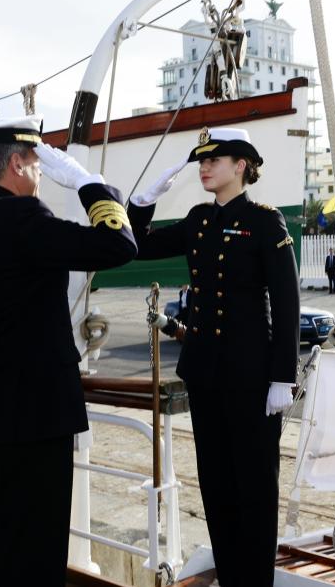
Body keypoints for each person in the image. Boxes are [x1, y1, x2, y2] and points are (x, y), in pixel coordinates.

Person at [0, 115, 137, 586]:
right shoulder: (25, 220)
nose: (44, 172)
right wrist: (91, 185)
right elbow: (118, 245)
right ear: (18, 164)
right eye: (38, 162)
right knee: (35, 554)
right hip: (35, 421)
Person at [128, 126, 300, 586]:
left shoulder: (266, 222)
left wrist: (283, 377)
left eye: (214, 160)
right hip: (205, 374)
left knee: (256, 487)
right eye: (201, 161)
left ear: (241, 165)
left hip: (251, 378)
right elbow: (137, 244)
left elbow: (287, 304)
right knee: (217, 484)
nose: (203, 167)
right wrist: (143, 201)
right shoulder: (198, 219)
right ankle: (230, 575)